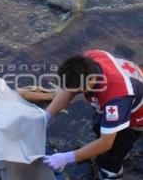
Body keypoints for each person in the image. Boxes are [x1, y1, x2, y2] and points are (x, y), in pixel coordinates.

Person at [20, 49, 143, 179]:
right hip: (129, 93)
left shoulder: (116, 99)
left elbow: (106, 142)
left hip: (137, 117)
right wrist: (46, 115)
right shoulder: (91, 58)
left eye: (78, 90)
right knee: (100, 126)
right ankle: (119, 152)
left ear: (88, 84)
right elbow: (69, 90)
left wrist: (67, 158)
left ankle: (111, 174)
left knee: (113, 150)